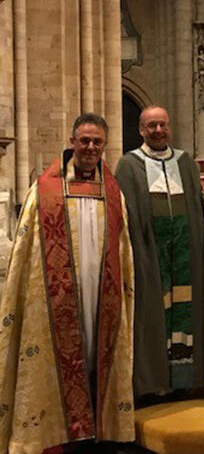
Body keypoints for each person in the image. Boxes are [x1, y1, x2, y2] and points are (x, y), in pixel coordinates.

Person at [0, 114, 134, 452]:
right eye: (84, 140)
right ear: (72, 142)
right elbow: (26, 252)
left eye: (97, 142)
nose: (90, 148)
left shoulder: (113, 191)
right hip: (56, 298)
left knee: (94, 354)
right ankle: (58, 429)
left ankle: (96, 428)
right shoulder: (44, 190)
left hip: (100, 294)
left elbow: (124, 249)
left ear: (104, 146)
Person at [115, 106, 204, 399]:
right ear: (141, 129)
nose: (158, 131)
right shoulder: (129, 165)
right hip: (149, 254)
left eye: (163, 125)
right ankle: (153, 382)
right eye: (151, 126)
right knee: (153, 311)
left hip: (184, 254)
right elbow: (126, 217)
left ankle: (183, 379)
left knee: (185, 309)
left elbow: (197, 210)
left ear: (170, 128)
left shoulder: (185, 162)